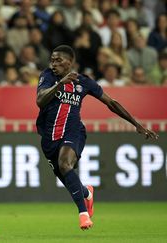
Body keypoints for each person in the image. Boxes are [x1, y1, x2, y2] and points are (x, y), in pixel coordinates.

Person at [36, 45, 159, 230]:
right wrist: (60, 83)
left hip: (74, 132)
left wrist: (136, 124)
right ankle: (87, 193)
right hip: (49, 137)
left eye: (58, 60)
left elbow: (111, 103)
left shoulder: (83, 82)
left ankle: (83, 215)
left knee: (64, 164)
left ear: (70, 62)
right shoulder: (47, 77)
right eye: (52, 60)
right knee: (67, 178)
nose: (54, 64)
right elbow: (40, 100)